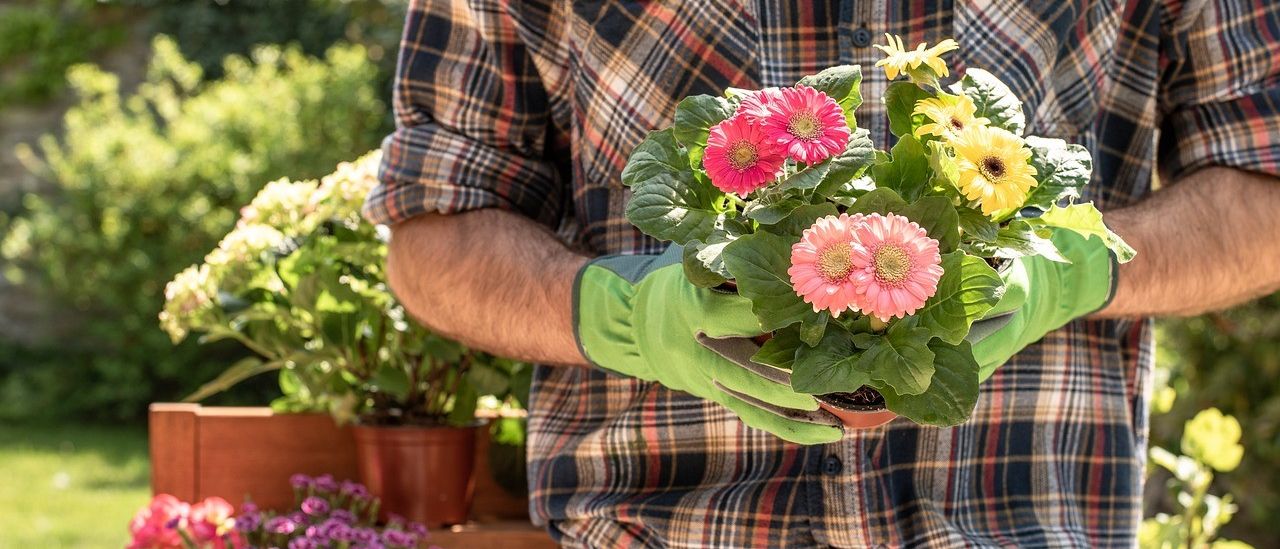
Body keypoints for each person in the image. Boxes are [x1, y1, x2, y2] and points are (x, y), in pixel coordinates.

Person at [364, 1, 1280, 546]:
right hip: (656, 524)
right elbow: (435, 227)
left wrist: (1077, 263)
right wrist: (621, 312)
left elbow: (1262, 187)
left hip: (1017, 517)